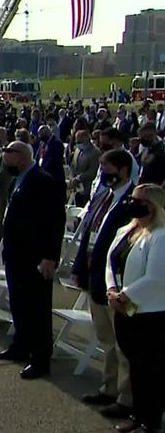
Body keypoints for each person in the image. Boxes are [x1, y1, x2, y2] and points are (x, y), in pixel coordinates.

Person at [71, 149, 136, 419]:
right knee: (106, 339)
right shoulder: (104, 196)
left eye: (106, 167)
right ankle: (109, 387)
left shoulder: (133, 200)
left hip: (116, 281)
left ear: (122, 170)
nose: (103, 173)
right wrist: (78, 268)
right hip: (94, 273)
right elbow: (88, 232)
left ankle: (127, 396)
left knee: (123, 344)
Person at [0, 142, 64, 379]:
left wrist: (50, 256)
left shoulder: (43, 181)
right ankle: (21, 345)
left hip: (35, 255)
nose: (4, 160)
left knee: (37, 307)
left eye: (7, 155)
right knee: (19, 303)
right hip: (16, 252)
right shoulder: (19, 179)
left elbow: (54, 221)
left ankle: (40, 357)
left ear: (21, 156)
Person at [105, 184, 165, 433]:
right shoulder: (126, 230)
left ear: (153, 206)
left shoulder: (160, 236)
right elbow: (110, 262)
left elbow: (156, 277)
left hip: (149, 313)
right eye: (131, 199)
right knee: (135, 367)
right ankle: (138, 414)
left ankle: (150, 419)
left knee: (150, 369)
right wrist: (111, 290)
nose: (132, 203)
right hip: (124, 309)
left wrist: (124, 295)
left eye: (139, 200)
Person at [69, 129, 101, 207]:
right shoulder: (78, 150)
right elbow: (73, 164)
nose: (77, 144)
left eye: (79, 142)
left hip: (87, 188)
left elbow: (92, 171)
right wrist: (72, 178)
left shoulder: (95, 152)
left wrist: (78, 178)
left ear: (86, 139)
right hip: (77, 187)